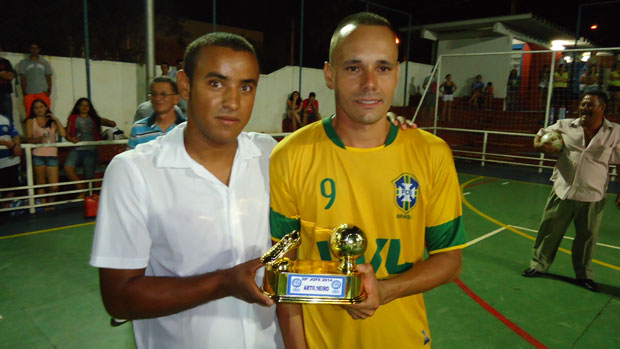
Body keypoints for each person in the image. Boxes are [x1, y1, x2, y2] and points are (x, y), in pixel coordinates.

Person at [269, 12, 465, 348]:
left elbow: (449, 259)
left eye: (383, 67)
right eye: (354, 67)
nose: (370, 83)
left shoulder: (432, 153)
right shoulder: (290, 156)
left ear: (397, 74)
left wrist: (385, 291)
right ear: (330, 74)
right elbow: (281, 273)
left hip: (403, 339)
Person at [89, 32, 283, 348]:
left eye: (246, 87)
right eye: (216, 83)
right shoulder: (135, 172)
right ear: (185, 85)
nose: (233, 101)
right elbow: (119, 298)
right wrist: (223, 283)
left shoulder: (270, 156)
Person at [522, 90, 620, 292]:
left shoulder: (615, 132)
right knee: (549, 231)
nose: (584, 108)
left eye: (590, 105)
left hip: (592, 195)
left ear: (602, 108)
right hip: (562, 191)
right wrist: (542, 146)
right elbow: (539, 138)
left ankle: (583, 275)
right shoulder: (565, 126)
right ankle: (538, 265)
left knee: (587, 238)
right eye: (583, 104)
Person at [65, 98, 116, 197]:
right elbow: (67, 134)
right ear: (78, 107)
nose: (84, 107)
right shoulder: (73, 118)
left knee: (89, 175)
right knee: (68, 167)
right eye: (82, 105)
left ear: (90, 108)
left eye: (86, 105)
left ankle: (89, 197)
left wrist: (109, 123)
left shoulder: (94, 118)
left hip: (91, 149)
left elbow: (111, 124)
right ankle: (82, 189)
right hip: (77, 149)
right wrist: (71, 139)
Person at [24, 99, 66, 210]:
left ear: (46, 108)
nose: (39, 109)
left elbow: (63, 133)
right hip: (38, 154)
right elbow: (28, 139)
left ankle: (50, 203)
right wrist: (38, 139)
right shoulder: (30, 121)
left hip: (52, 155)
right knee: (41, 182)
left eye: (41, 107)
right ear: (33, 110)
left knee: (54, 186)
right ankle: (44, 205)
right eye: (36, 108)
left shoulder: (52, 121)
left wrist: (56, 119)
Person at [127, 76, 185, 149]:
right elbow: (130, 159)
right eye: (154, 94)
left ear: (176, 98)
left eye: (163, 94)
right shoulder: (138, 129)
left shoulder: (188, 128)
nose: (158, 98)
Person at [18, 43, 53, 114]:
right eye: (32, 48)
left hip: (42, 93)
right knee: (29, 114)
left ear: (39, 50)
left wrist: (49, 90)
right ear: (29, 49)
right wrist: (24, 93)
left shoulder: (45, 62)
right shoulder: (23, 63)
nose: (34, 50)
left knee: (45, 115)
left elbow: (49, 77)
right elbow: (22, 79)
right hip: (29, 93)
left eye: (36, 48)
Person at [0, 113, 21, 209]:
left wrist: (17, 145)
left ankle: (7, 208)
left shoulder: (5, 118)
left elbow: (15, 134)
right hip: (1, 162)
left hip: (12, 160)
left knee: (12, 186)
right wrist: (5, 143)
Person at [0, 46, 16, 126]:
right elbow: (7, 74)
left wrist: (5, 74)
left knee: (9, 117)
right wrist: (3, 73)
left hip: (6, 92)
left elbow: (11, 76)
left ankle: (11, 135)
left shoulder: (6, 62)